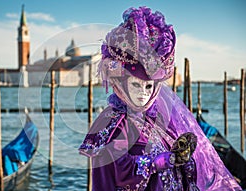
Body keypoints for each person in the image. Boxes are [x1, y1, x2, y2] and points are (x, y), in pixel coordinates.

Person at [79, 6, 242, 191]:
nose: (144, 93)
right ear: (120, 84)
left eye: (149, 86)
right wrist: (164, 160)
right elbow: (120, 170)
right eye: (135, 85)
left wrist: (182, 157)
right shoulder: (113, 123)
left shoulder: (156, 118)